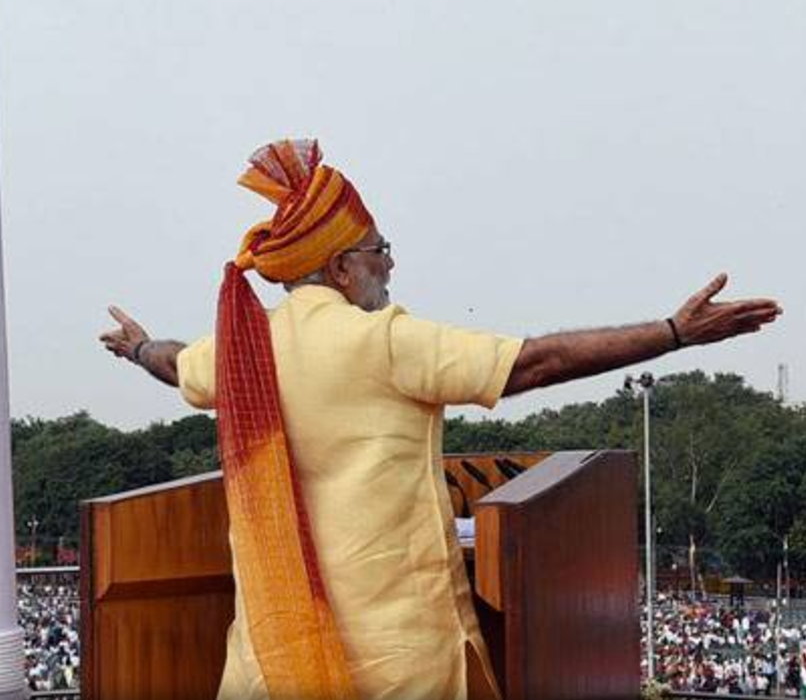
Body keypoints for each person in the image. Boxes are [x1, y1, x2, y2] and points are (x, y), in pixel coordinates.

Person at [100, 138, 782, 700]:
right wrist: (670, 333)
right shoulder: (386, 340)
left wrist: (135, 347)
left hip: (270, 664)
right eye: (378, 249)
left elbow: (173, 362)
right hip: (395, 664)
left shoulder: (241, 352)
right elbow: (534, 364)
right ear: (341, 268)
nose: (390, 263)